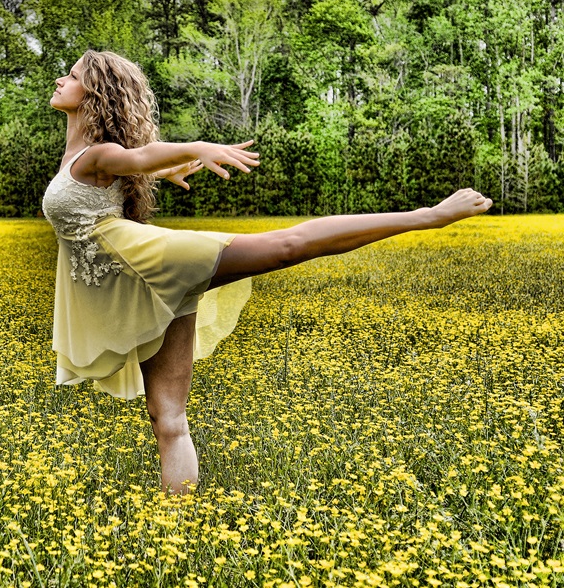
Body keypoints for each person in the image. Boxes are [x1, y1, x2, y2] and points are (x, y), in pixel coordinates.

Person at [41, 50, 493, 495]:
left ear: (94, 94)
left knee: (285, 246)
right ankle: (176, 527)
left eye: (73, 75)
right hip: (132, 284)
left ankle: (427, 215)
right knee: (167, 416)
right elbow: (134, 165)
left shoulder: (97, 154)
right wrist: (172, 166)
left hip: (145, 261)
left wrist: (191, 149)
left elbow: (138, 157)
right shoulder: (81, 156)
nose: (61, 79)